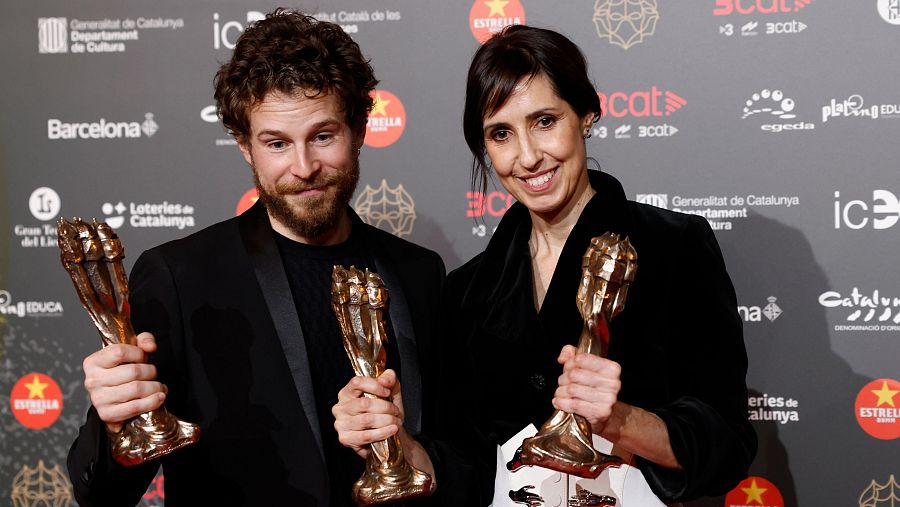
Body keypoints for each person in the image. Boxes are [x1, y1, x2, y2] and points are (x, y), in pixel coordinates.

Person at [66, 9, 444, 506]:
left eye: (323, 136)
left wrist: (410, 449)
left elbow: (459, 455)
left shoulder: (419, 273)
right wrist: (116, 424)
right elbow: (103, 495)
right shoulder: (181, 276)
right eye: (277, 143)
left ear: (359, 128)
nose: (304, 167)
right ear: (245, 146)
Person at [437, 24, 757, 504]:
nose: (527, 157)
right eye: (501, 134)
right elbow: (463, 459)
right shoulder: (465, 290)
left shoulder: (674, 247)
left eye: (544, 121)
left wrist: (620, 420)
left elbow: (727, 444)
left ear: (586, 114)